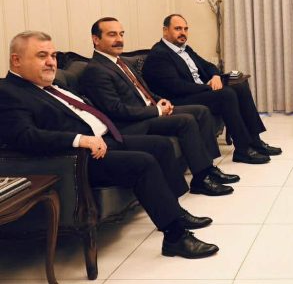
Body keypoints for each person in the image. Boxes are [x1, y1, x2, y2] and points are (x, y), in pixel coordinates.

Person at [0, 31, 218, 259]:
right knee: (143, 163)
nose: (51, 62)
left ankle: (175, 212)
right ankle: (175, 237)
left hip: (106, 139)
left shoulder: (50, 85)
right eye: (42, 56)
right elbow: (25, 137)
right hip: (77, 158)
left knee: (160, 145)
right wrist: (79, 139)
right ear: (16, 60)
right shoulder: (9, 93)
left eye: (53, 56)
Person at [80, 17, 237, 196]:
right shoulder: (96, 70)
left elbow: (143, 90)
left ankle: (208, 168)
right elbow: (116, 110)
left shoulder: (120, 62)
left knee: (200, 111)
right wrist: (156, 111)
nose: (119, 39)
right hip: (131, 124)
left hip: (148, 111)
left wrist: (160, 100)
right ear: (96, 39)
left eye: (121, 34)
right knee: (185, 121)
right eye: (112, 35)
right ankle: (201, 179)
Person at [141, 14, 280, 164]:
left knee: (240, 85)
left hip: (197, 91)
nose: (183, 33)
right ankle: (243, 150)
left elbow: (208, 66)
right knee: (226, 94)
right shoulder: (159, 54)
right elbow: (176, 86)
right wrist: (207, 88)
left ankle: (255, 141)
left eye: (186, 29)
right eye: (178, 29)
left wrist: (215, 76)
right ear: (165, 30)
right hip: (179, 99)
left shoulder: (185, 49)